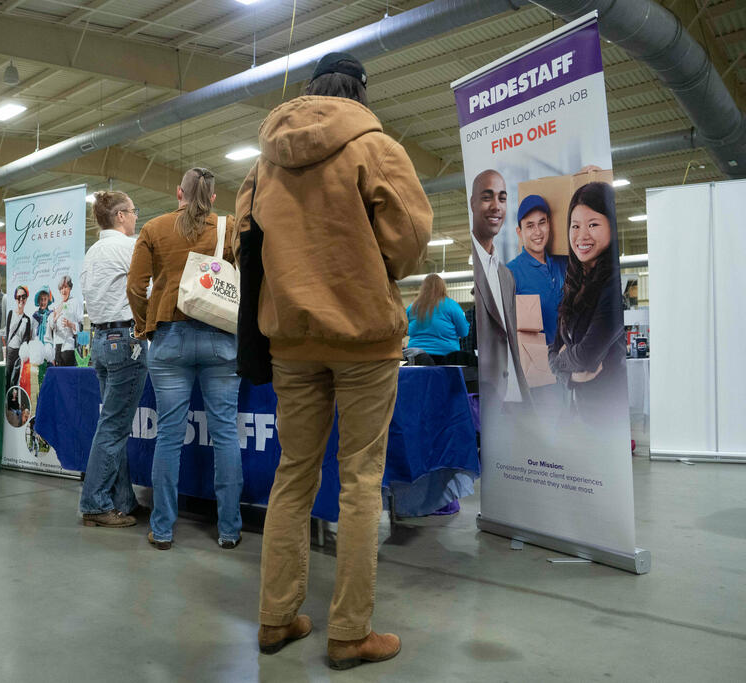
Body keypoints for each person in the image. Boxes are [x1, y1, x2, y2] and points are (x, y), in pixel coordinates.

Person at [233, 52, 432, 669]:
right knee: (360, 478)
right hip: (365, 340)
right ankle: (349, 633)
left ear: (311, 89)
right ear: (360, 91)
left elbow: (243, 242)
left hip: (291, 342)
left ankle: (276, 617)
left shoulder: (263, 163)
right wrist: (370, 273)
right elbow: (410, 234)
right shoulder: (375, 146)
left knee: (294, 473)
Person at [127, 167, 242, 551]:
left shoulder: (155, 228)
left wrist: (146, 327)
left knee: (169, 436)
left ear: (179, 192)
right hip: (221, 341)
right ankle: (228, 529)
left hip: (170, 340)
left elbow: (135, 286)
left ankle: (162, 529)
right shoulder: (229, 226)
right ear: (212, 197)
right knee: (225, 433)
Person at [78, 191, 147, 528]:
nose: (135, 217)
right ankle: (94, 503)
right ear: (120, 215)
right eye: (133, 211)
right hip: (126, 340)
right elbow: (146, 289)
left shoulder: (92, 252)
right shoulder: (126, 247)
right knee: (114, 428)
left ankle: (123, 500)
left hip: (102, 339)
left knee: (112, 424)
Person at [549, 182, 627, 422]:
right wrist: (571, 375)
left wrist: (563, 360)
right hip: (580, 411)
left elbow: (586, 355)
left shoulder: (612, 286)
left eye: (593, 224)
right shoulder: (575, 283)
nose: (582, 236)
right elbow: (552, 352)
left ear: (612, 227)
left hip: (607, 413)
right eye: (575, 226)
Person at [470, 169, 529, 405]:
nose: (496, 206)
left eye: (502, 198)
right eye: (487, 197)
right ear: (473, 203)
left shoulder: (506, 275)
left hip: (517, 395)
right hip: (488, 397)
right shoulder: (474, 265)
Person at [506, 194, 567, 346]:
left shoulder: (564, 264)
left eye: (542, 223)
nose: (538, 232)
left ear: (549, 224)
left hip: (571, 361)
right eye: (530, 225)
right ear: (519, 232)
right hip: (536, 364)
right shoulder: (510, 273)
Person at [406, 274, 470, 364]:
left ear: (423, 288)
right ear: (443, 287)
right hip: (446, 356)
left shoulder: (412, 307)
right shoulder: (451, 305)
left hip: (416, 356)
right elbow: (464, 332)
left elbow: (404, 330)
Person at [4, 286, 32, 388]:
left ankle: (15, 402)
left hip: (19, 354)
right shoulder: (11, 314)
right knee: (7, 379)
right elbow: (7, 334)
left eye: (23, 297)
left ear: (26, 298)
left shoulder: (27, 319)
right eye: (18, 297)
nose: (21, 299)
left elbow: (26, 339)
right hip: (10, 351)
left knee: (16, 380)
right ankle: (7, 401)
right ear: (15, 298)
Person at [52, 275, 79, 367]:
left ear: (70, 288)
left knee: (68, 375)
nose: (64, 290)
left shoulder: (75, 302)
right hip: (57, 346)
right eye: (62, 288)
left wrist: (70, 324)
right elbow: (52, 328)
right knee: (59, 376)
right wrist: (54, 320)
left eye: (66, 287)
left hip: (68, 346)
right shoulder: (56, 305)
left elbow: (81, 325)